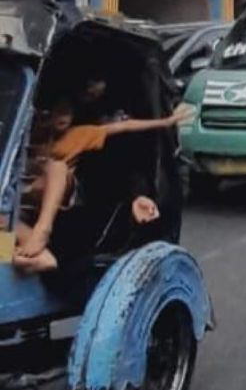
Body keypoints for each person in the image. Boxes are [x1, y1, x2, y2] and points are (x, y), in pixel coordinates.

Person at [15, 101, 190, 274]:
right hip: (19, 212)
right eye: (55, 113)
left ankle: (42, 229)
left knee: (56, 167)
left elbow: (123, 127)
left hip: (61, 199)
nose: (63, 118)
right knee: (10, 233)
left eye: (67, 112)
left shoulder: (75, 136)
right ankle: (34, 256)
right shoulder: (15, 144)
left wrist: (166, 122)